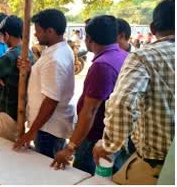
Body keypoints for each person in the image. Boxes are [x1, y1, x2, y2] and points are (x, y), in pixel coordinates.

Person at [93, 0, 175, 184]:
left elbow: (123, 103)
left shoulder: (144, 56)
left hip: (156, 167)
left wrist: (108, 145)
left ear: (153, 28)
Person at [51, 15, 128, 174]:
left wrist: (70, 148)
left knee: (84, 177)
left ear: (89, 39)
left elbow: (90, 111)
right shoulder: (122, 55)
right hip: (113, 136)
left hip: (95, 138)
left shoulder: (102, 65)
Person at [13, 9, 75, 158]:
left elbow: (51, 101)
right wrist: (31, 69)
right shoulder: (58, 51)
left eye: (38, 31)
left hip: (48, 129)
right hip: (47, 127)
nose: (35, 34)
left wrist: (31, 132)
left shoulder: (55, 59)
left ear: (50, 31)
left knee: (46, 174)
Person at [0, 16, 34, 141]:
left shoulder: (9, 55)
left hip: (7, 111)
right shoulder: (28, 52)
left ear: (6, 35)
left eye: (1, 36)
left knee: (5, 147)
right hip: (21, 109)